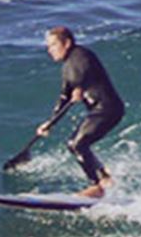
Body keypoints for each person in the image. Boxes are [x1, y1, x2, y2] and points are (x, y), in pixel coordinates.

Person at [35, 26, 125, 198]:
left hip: (108, 109)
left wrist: (81, 86)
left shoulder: (81, 55)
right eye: (48, 46)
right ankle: (104, 177)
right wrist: (50, 123)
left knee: (76, 144)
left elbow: (87, 70)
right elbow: (64, 97)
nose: (49, 50)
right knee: (76, 144)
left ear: (67, 43)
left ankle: (97, 187)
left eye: (53, 45)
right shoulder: (67, 67)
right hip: (100, 110)